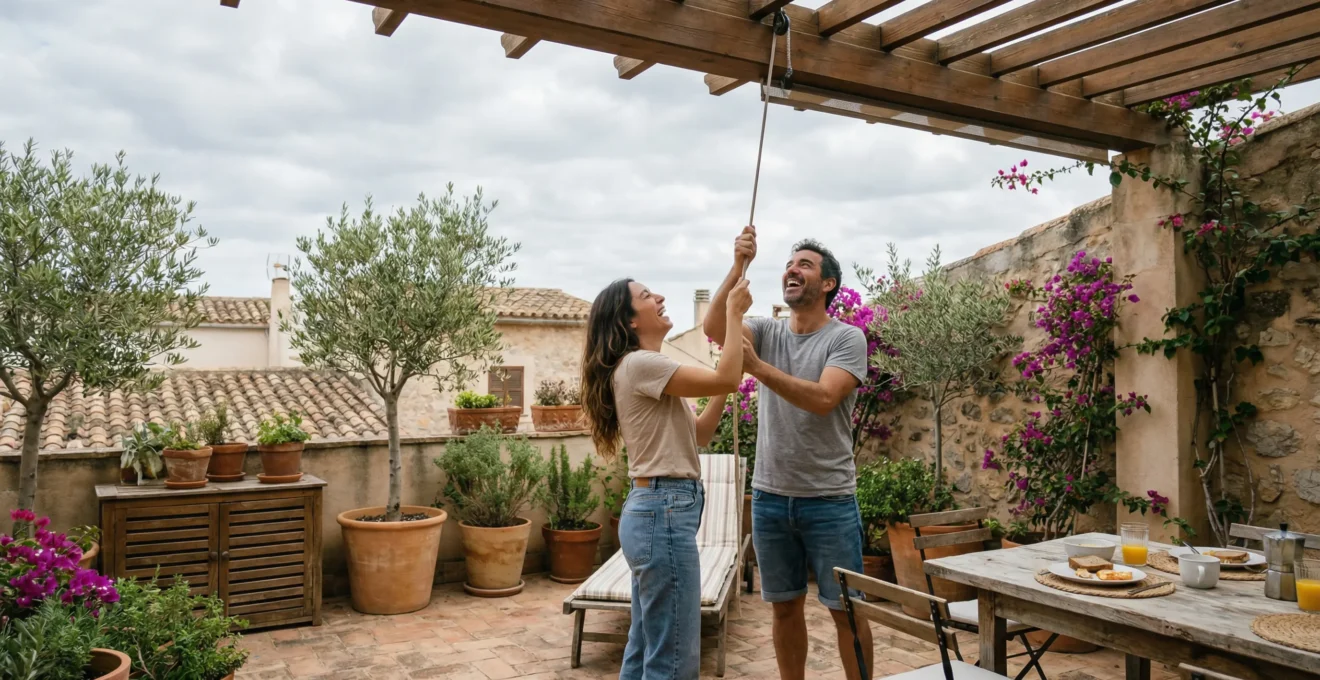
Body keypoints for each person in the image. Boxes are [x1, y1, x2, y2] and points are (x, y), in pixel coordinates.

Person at [703, 228, 874, 680]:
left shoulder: (846, 339)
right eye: (788, 264)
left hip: (830, 500)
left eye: (805, 265)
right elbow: (715, 328)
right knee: (783, 610)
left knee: (847, 612)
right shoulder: (765, 330)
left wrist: (757, 367)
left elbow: (822, 399)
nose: (791, 270)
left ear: (828, 284)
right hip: (770, 498)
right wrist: (738, 265)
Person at [581, 276, 754, 680]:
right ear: (629, 322)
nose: (659, 297)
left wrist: (725, 379)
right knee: (674, 659)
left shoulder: (646, 372)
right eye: (646, 296)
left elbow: (701, 435)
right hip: (663, 512)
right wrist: (732, 314)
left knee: (646, 649)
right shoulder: (642, 364)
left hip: (656, 512)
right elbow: (726, 377)